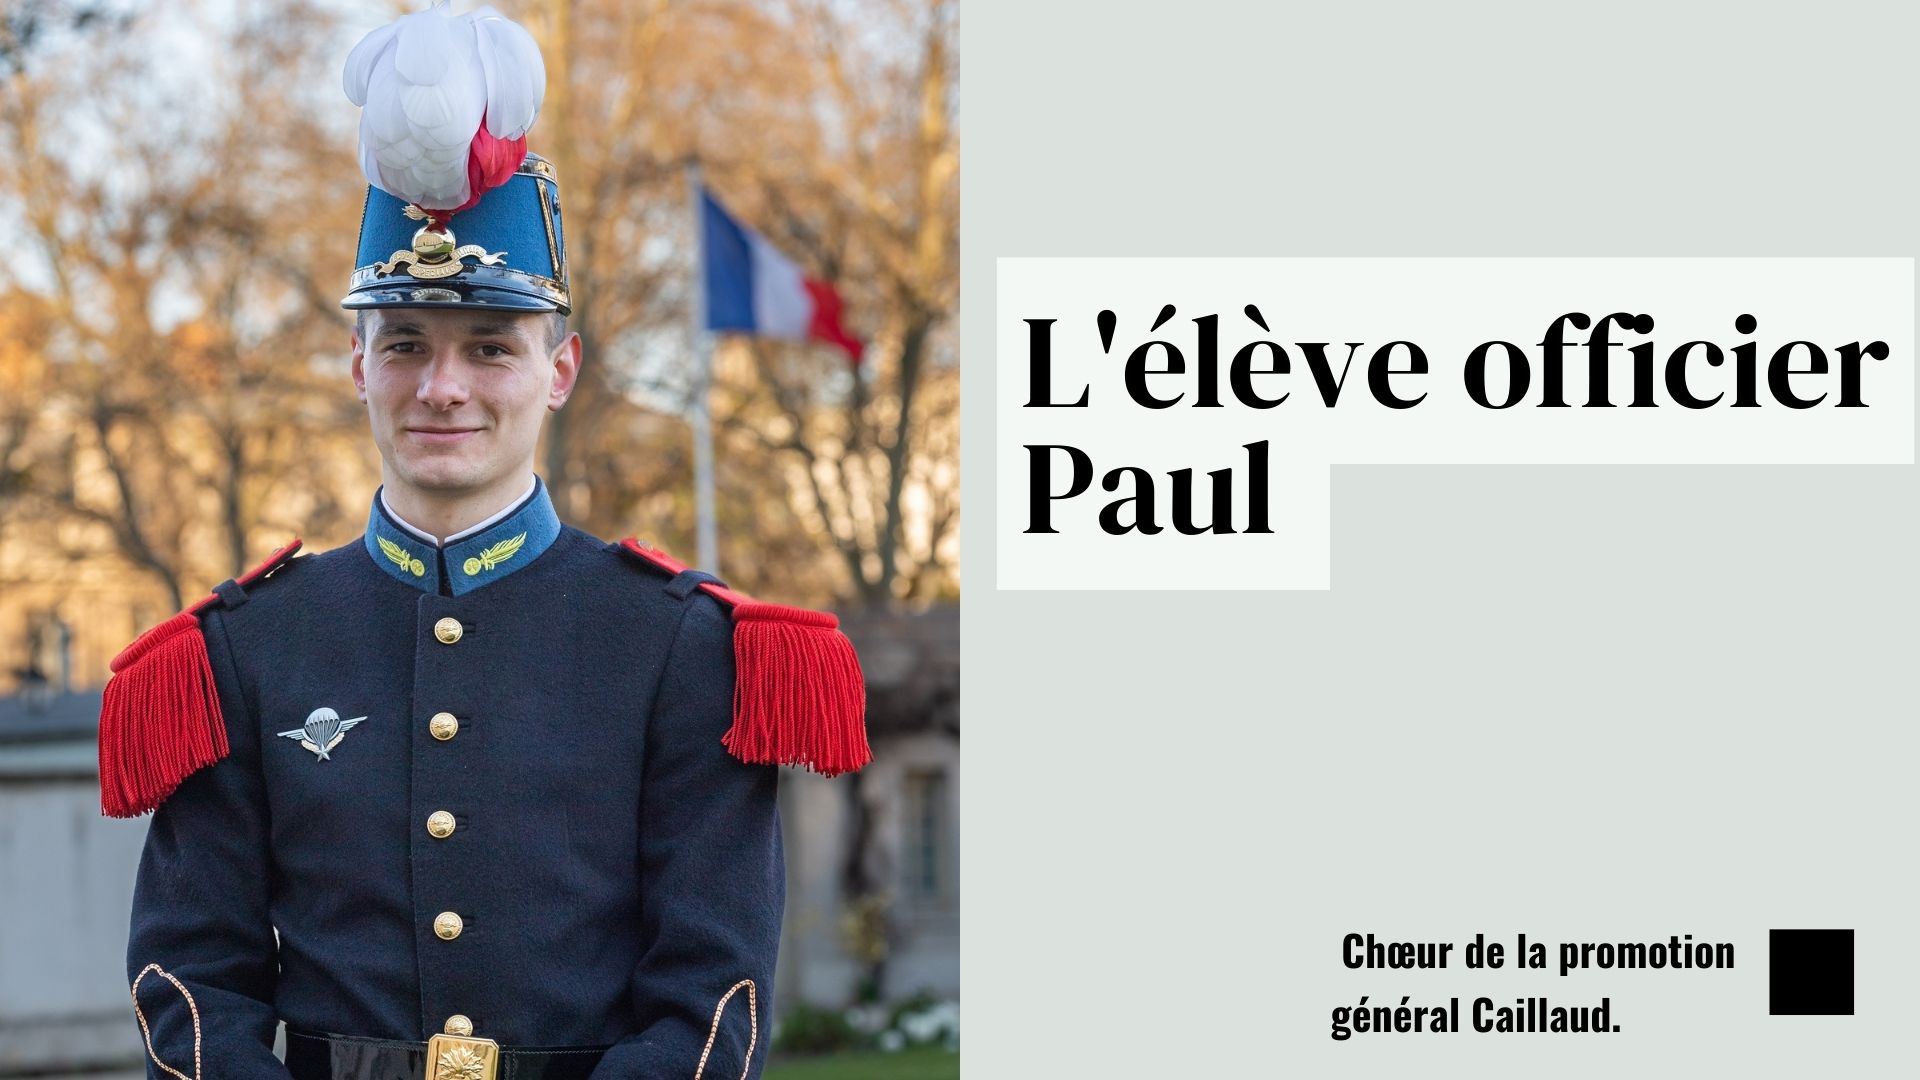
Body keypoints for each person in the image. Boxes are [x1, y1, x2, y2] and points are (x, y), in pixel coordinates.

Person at [98, 7, 868, 1079]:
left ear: (561, 370)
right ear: (357, 365)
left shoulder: (678, 646)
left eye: (491, 347)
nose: (442, 386)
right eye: (405, 342)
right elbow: (193, 988)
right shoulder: (243, 650)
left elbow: (711, 999)